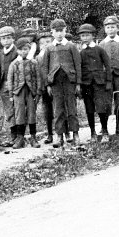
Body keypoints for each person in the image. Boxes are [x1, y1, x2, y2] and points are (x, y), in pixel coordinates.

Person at [38, 19, 82, 149]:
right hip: (55, 83)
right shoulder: (49, 48)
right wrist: (48, 85)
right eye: (56, 31)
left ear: (65, 30)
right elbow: (45, 68)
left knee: (71, 108)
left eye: (61, 31)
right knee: (58, 109)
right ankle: (59, 135)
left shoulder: (71, 46)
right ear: (52, 32)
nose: (59, 34)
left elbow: (77, 65)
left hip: (70, 81)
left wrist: (78, 83)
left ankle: (75, 134)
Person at [77, 23, 113, 143]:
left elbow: (108, 66)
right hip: (86, 84)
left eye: (87, 35)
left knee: (101, 107)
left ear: (92, 36)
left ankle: (105, 131)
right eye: (83, 36)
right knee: (89, 109)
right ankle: (92, 133)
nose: (85, 38)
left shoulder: (99, 49)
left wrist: (108, 81)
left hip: (99, 83)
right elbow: (79, 69)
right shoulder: (80, 52)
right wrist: (80, 85)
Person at [7, 37, 41, 148]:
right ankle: (20, 138)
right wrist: (11, 94)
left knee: (31, 113)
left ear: (29, 50)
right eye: (21, 49)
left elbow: (38, 77)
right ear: (17, 51)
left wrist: (38, 92)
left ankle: (33, 137)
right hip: (18, 92)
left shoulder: (34, 63)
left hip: (31, 91)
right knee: (19, 114)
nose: (24, 51)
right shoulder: (14, 64)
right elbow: (10, 79)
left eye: (26, 49)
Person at [99, 16, 119, 135]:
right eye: (108, 27)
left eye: (113, 27)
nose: (110, 30)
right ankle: (104, 127)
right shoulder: (102, 44)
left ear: (117, 28)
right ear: (105, 29)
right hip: (106, 78)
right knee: (106, 101)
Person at [0, 26, 19, 144]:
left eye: (8, 38)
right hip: (3, 85)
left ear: (13, 39)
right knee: (8, 110)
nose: (6, 40)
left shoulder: (16, 52)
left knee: (16, 109)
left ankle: (17, 135)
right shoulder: (1, 54)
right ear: (0, 41)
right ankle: (13, 134)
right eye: (3, 38)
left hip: (15, 84)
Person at [35, 30, 55, 142]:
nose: (45, 45)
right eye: (42, 43)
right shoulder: (38, 57)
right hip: (44, 87)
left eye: (47, 42)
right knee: (47, 111)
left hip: (54, 86)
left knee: (59, 109)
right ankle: (50, 134)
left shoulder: (54, 53)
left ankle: (62, 133)